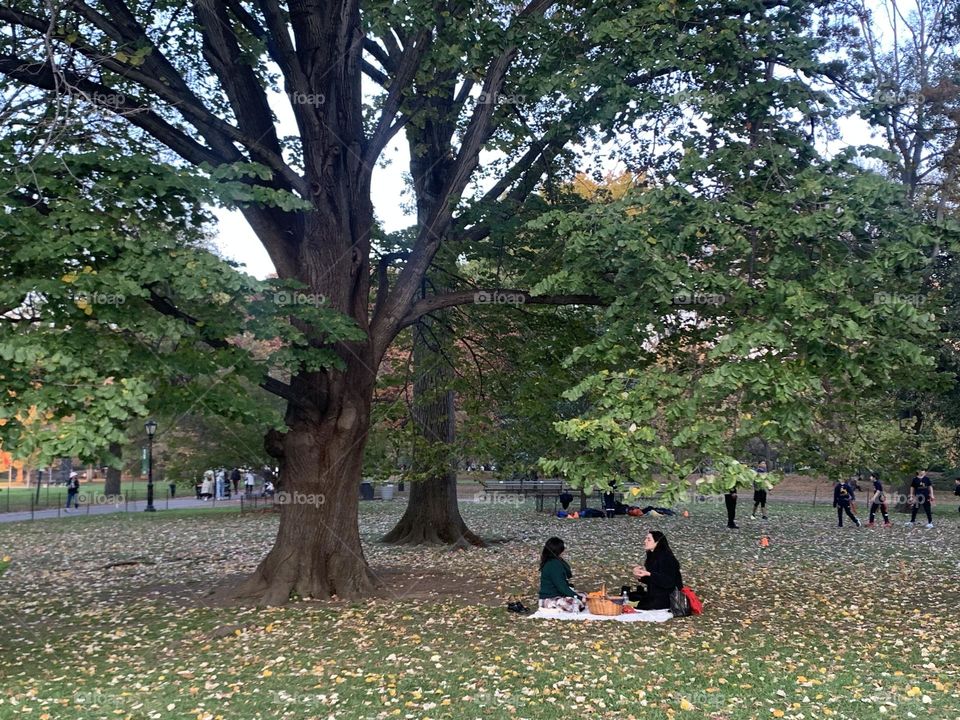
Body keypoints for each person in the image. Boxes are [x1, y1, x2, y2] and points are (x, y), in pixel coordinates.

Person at [623, 530, 683, 610]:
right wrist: (640, 575)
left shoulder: (667, 558)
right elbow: (652, 580)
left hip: (668, 596)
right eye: (646, 539)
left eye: (649, 539)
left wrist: (649, 574)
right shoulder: (652, 556)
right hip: (655, 593)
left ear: (657, 542)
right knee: (631, 597)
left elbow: (668, 581)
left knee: (643, 605)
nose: (645, 541)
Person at [538, 537, 585, 612]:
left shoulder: (557, 561)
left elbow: (569, 574)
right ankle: (550, 609)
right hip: (549, 599)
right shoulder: (553, 565)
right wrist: (579, 598)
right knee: (577, 603)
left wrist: (561, 560)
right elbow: (561, 587)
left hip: (559, 595)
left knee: (584, 595)